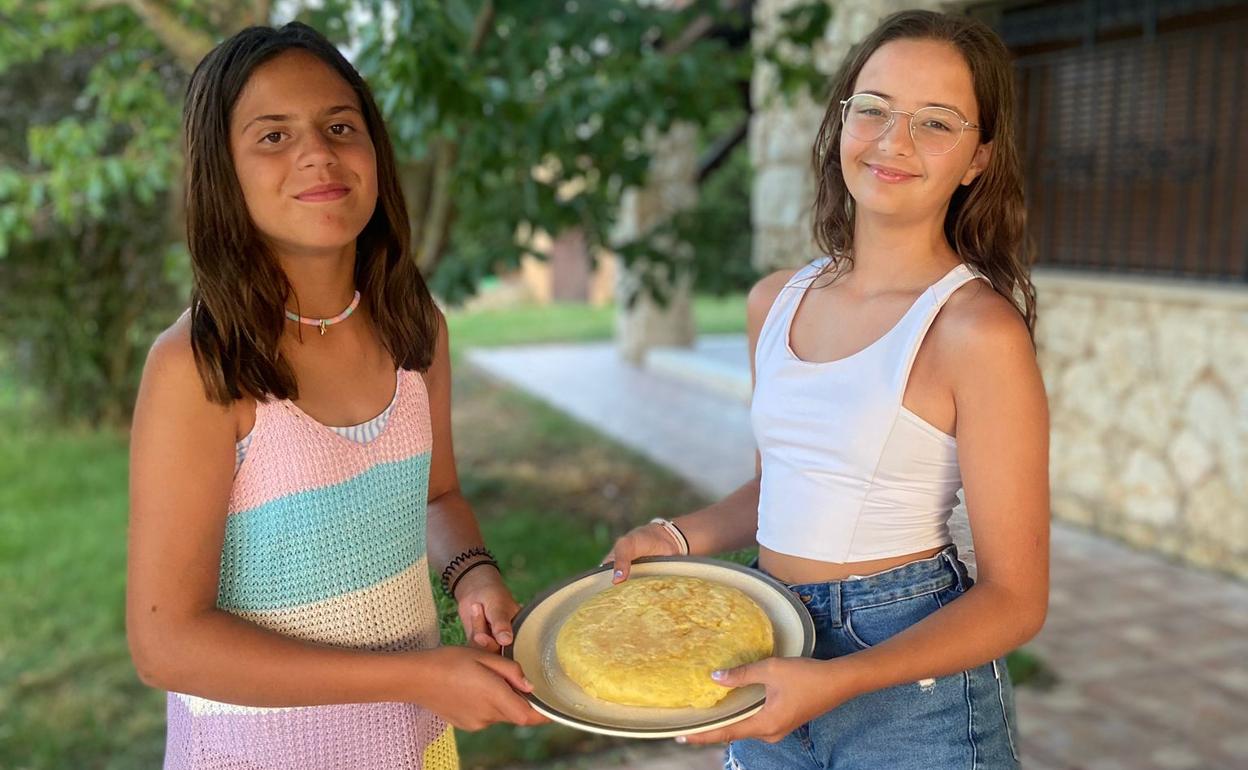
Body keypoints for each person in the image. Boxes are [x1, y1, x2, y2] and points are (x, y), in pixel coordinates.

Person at [607, 10, 1048, 769]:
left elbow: (1015, 599)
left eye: (935, 122)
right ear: (840, 119)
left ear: (978, 157)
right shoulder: (773, 301)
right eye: (872, 108)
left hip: (911, 682)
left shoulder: (976, 331)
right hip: (765, 631)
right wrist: (678, 538)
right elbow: (779, 483)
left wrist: (840, 680)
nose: (892, 141)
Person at [127, 22, 544, 770]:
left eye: (339, 126)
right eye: (273, 136)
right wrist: (419, 674)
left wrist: (472, 571)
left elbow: (436, 498)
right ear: (221, 172)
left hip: (414, 745)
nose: (317, 152)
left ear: (375, 153)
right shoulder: (200, 366)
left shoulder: (417, 331)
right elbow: (166, 644)